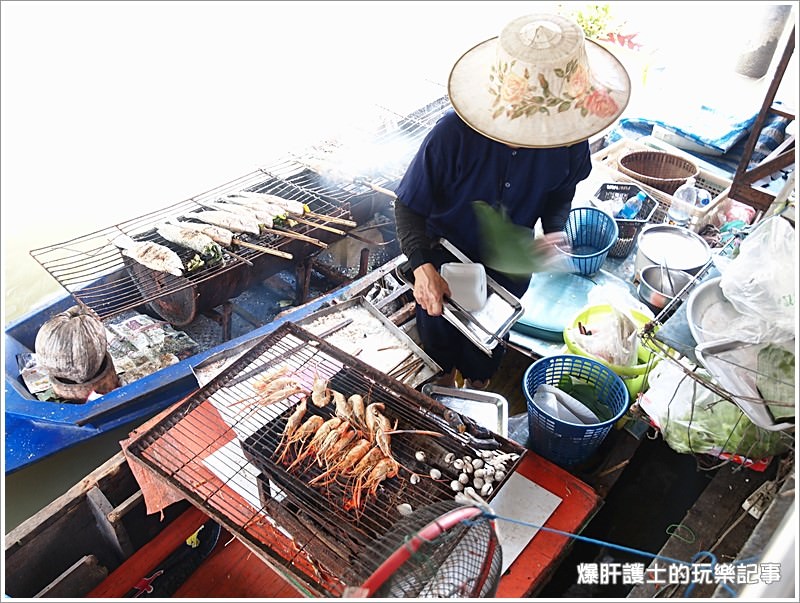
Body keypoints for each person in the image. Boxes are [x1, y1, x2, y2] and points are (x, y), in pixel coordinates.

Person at [394, 13, 631, 389]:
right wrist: (422, 268)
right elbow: (408, 206)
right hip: (444, 260)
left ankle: (478, 384)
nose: (530, 139)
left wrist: (555, 231)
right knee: (439, 339)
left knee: (486, 350)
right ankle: (443, 384)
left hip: (509, 269)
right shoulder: (451, 135)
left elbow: (560, 191)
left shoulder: (567, 139)